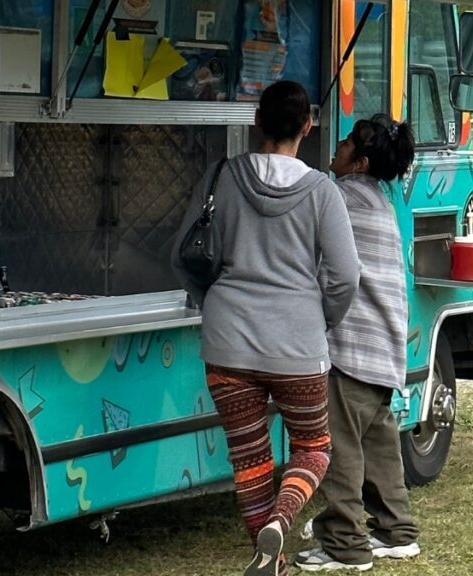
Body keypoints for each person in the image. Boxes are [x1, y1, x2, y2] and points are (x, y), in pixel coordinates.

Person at [171, 80, 361, 576]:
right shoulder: (322, 191)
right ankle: (280, 522)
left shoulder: (222, 177)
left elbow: (183, 254)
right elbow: (345, 275)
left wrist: (212, 303)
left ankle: (268, 556)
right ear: (307, 126)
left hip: (227, 341)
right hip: (296, 344)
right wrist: (320, 321)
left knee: (250, 458)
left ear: (257, 123)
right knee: (314, 447)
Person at [295, 115, 419, 572]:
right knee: (379, 443)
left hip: (351, 347)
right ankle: (396, 530)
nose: (338, 146)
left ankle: (344, 543)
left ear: (360, 162)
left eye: (347, 143)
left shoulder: (339, 196)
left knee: (341, 448)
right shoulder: (381, 202)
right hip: (384, 347)